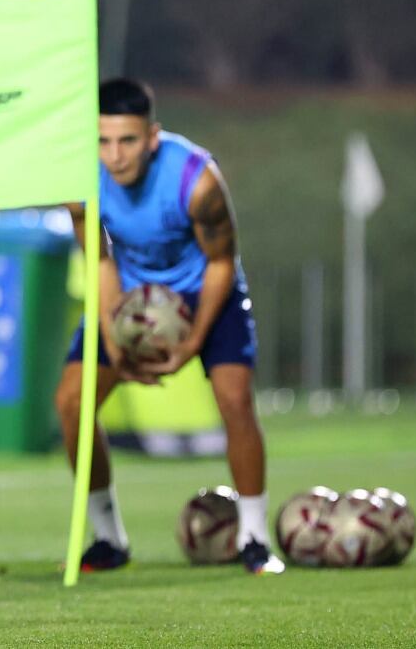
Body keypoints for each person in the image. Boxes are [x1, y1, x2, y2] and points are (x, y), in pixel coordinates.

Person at [55, 77, 284, 576]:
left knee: (235, 401)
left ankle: (255, 539)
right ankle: (108, 538)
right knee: (72, 403)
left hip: (206, 292)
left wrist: (195, 339)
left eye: (128, 141)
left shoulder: (196, 179)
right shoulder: (78, 179)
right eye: (103, 141)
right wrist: (116, 340)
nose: (115, 156)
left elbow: (222, 260)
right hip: (133, 297)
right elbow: (99, 260)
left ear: (152, 137)